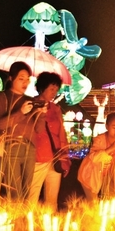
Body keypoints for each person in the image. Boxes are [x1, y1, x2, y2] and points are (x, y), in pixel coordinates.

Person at [0, 62, 47, 201]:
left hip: (29, 149)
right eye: (21, 78)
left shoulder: (30, 100)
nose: (25, 82)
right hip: (10, 148)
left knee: (26, 192)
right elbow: (1, 124)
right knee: (14, 192)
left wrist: (41, 114)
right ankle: (13, 220)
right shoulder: (1, 97)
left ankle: (22, 221)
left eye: (28, 79)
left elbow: (39, 129)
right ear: (11, 78)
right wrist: (21, 112)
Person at [28, 72, 71, 208]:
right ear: (42, 87)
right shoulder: (30, 105)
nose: (54, 93)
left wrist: (64, 157)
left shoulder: (56, 109)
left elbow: (61, 134)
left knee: (52, 200)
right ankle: (26, 226)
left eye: (56, 90)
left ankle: (48, 226)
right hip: (37, 157)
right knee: (31, 197)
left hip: (55, 157)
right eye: (52, 89)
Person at [78, 112, 115, 199]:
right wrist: (111, 148)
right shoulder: (100, 139)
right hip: (91, 173)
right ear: (107, 126)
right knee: (93, 203)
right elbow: (94, 158)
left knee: (111, 200)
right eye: (114, 127)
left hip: (109, 174)